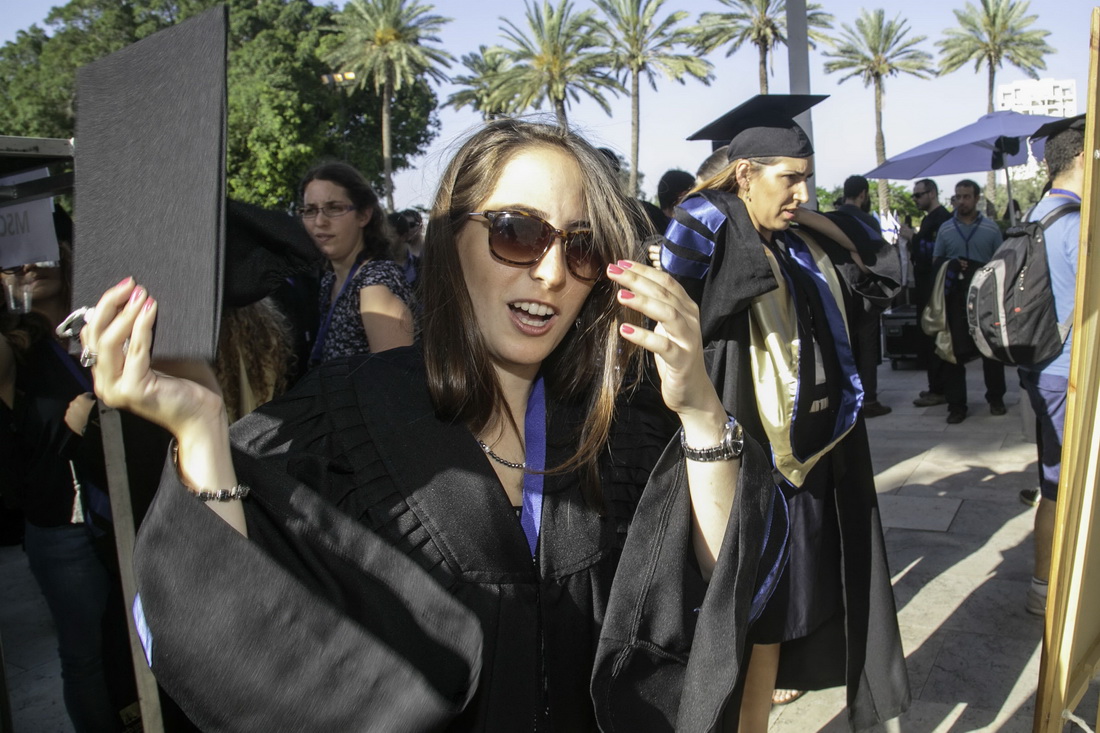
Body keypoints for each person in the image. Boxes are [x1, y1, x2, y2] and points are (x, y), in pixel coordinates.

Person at [78, 119, 787, 731]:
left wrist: (701, 409)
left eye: (582, 247)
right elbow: (230, 633)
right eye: (517, 232)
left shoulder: (620, 423)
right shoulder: (344, 419)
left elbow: (728, 588)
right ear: (451, 239)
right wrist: (201, 429)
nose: (550, 273)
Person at [661, 94, 909, 732]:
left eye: (808, 178)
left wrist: (806, 215)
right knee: (727, 622)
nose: (802, 193)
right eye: (790, 178)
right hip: (733, 464)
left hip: (803, 466)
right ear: (744, 174)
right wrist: (736, 202)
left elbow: (879, 275)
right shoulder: (709, 229)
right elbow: (699, 246)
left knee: (772, 623)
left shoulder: (798, 246)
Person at [1, 244, 133, 733]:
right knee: (86, 657)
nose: (26, 265)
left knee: (142, 641)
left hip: (130, 504)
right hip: (66, 527)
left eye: (37, 250)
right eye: (10, 257)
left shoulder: (104, 321)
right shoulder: (12, 346)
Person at [1016, 114, 1086, 613]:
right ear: (1082, 158)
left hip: (1042, 368)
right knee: (1066, 487)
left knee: (1053, 484)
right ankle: (1060, 594)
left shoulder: (1037, 212)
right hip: (1071, 374)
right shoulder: (1078, 224)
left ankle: (1044, 588)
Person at [298, 162, 414, 365]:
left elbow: (395, 377)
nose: (319, 221)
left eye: (334, 208)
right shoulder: (330, 280)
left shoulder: (375, 284)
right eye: (310, 210)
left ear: (364, 215)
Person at [932, 179, 1006, 423]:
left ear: (976, 199)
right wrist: (951, 265)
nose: (961, 201)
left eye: (966, 196)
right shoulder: (945, 229)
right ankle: (957, 406)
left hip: (985, 299)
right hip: (955, 299)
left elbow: (1002, 262)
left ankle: (996, 398)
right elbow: (936, 262)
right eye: (958, 196)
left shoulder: (991, 229)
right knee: (954, 352)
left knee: (991, 350)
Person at [836, 174, 891, 418]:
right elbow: (878, 257)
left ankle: (848, 397)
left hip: (840, 288)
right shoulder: (868, 221)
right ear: (863, 194)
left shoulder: (832, 218)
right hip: (866, 290)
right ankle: (869, 399)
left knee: (845, 344)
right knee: (868, 346)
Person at [901, 179, 952, 407]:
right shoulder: (932, 218)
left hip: (934, 288)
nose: (915, 199)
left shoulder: (941, 219)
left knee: (935, 336)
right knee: (928, 336)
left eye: (918, 195)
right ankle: (936, 386)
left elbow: (934, 252)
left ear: (931, 193)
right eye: (914, 195)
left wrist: (912, 237)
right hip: (926, 287)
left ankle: (940, 388)